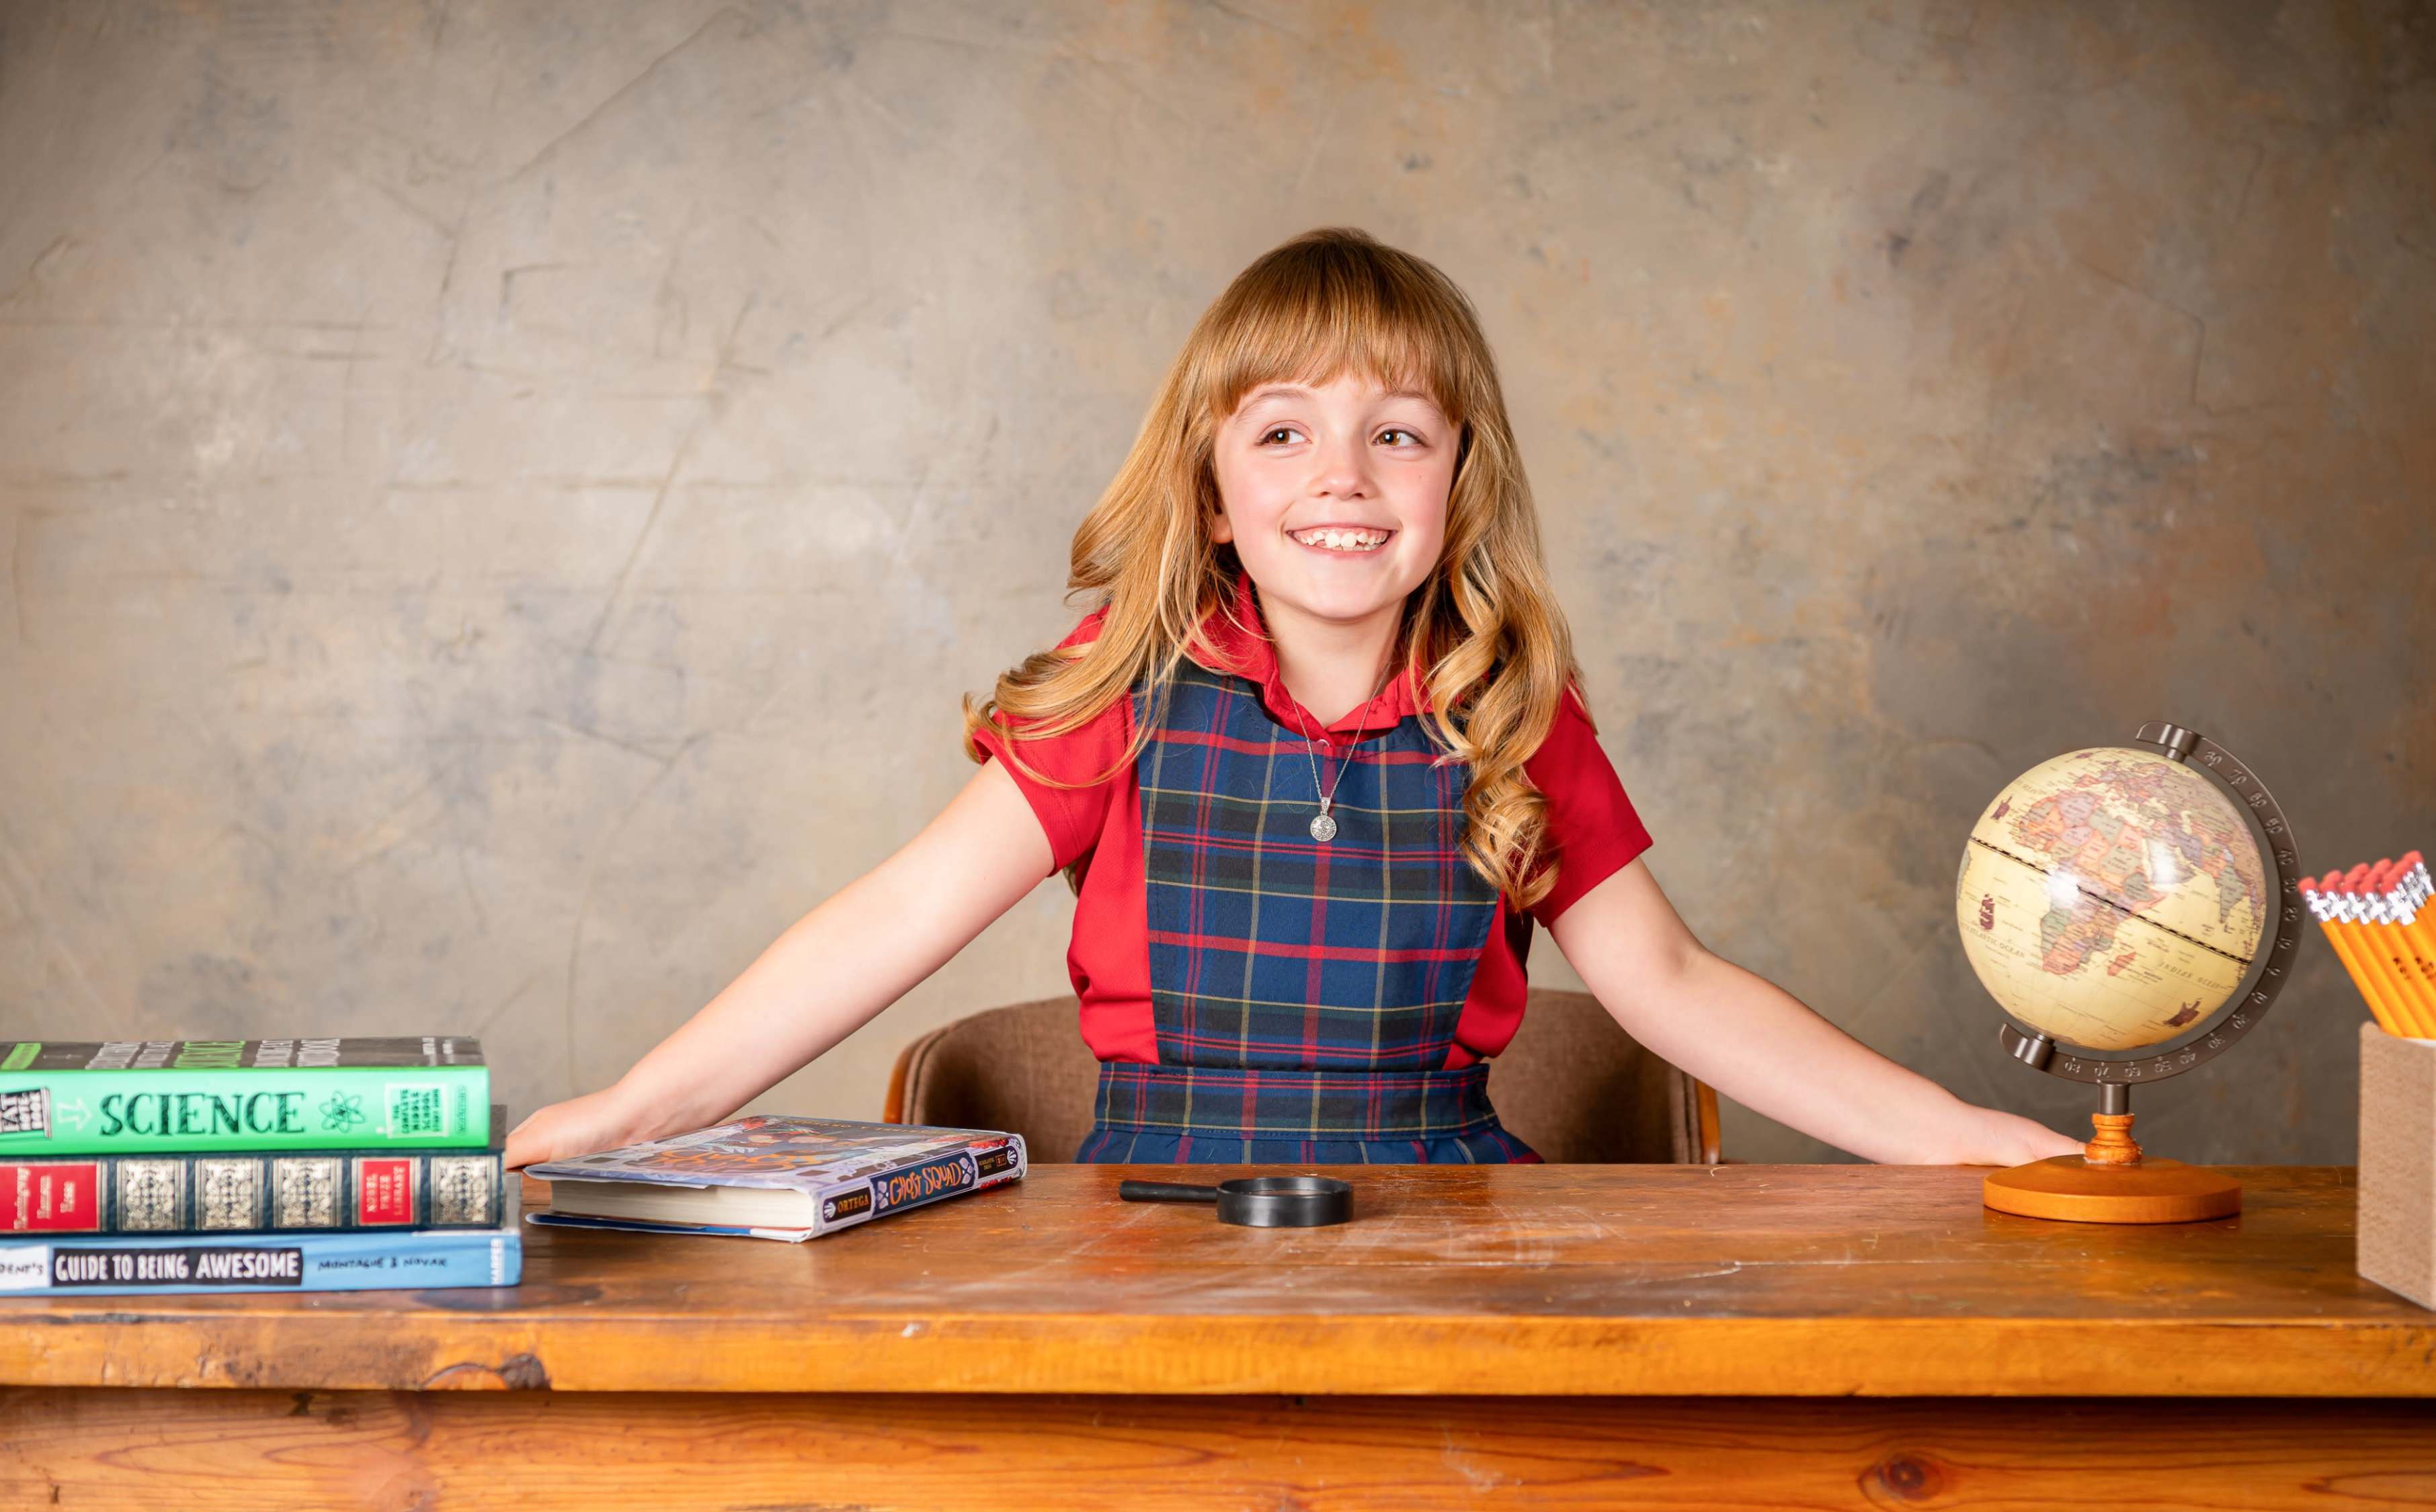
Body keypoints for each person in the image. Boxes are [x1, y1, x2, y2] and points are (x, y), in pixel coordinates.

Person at [505, 227, 2070, 1171]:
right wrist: (638, 1104)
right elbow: (889, 916)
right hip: (1144, 1236)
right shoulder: (1122, 686)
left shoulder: (1510, 710)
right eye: (1282, 434)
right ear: (1210, 476)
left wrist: (1979, 1141)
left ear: (1460, 482)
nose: (1341, 476)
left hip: (1450, 1228)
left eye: (1397, 433)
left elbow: (1674, 985)